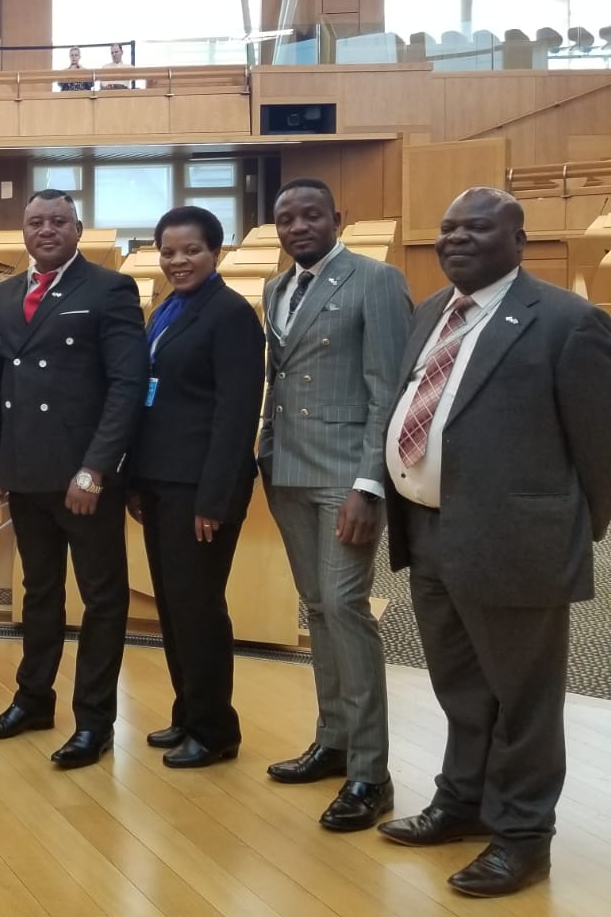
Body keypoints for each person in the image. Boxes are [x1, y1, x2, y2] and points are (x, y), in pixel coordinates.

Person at [377, 188, 611, 898]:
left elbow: (600, 448)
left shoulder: (568, 322)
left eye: (478, 228)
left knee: (524, 698)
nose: (457, 239)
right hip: (429, 529)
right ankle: (464, 800)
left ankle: (522, 837)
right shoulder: (430, 312)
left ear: (519, 240)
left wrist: (566, 532)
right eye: (448, 228)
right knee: (461, 686)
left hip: (517, 542)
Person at [0, 190, 147, 768]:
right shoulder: (5, 293)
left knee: (101, 598)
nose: (46, 230)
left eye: (58, 221)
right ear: (22, 231)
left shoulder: (109, 288)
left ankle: (94, 719)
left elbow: (125, 386)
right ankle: (34, 698)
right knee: (38, 592)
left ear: (78, 228)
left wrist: (95, 468)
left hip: (83, 477)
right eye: (35, 222)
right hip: (24, 471)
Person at [261, 177, 411, 832]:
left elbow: (389, 390)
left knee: (347, 608)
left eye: (309, 214)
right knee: (317, 607)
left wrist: (370, 483)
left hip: (345, 476)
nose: (297, 226)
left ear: (337, 218)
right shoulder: (274, 287)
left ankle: (371, 773)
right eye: (285, 218)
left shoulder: (374, 280)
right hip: (287, 469)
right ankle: (334, 739)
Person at [125, 206, 264, 768]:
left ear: (217, 252)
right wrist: (135, 478)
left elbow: (236, 414)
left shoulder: (230, 314)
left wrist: (212, 499)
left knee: (199, 609)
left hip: (201, 490)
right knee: (174, 607)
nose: (178, 261)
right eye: (168, 251)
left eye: (191, 251)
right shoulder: (167, 309)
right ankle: (188, 712)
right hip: (162, 480)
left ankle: (215, 731)